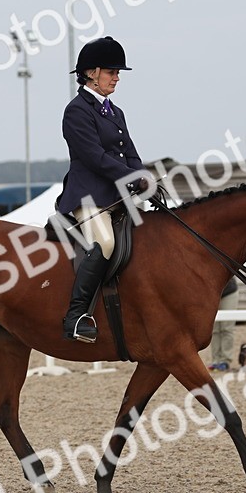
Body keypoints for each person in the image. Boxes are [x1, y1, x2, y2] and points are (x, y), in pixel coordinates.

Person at [56, 36, 146, 342]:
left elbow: (130, 152)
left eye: (117, 72)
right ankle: (77, 315)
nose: (117, 77)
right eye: (112, 71)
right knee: (105, 243)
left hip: (118, 194)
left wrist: (144, 176)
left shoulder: (115, 112)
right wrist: (131, 178)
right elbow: (96, 158)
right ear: (92, 73)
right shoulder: (77, 111)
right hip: (89, 195)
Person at [207, 278, 238, 371]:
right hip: (211, 292)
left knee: (227, 328)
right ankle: (216, 360)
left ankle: (225, 360)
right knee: (214, 329)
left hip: (229, 292)